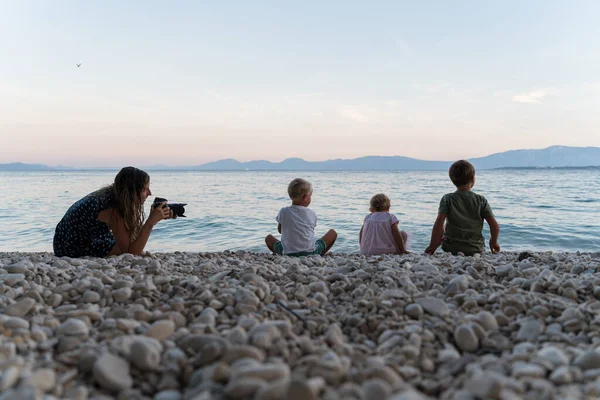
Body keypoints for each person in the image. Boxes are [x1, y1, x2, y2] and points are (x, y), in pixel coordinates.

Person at [53, 166, 173, 257]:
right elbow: (131, 253)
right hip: (69, 247)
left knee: (129, 245)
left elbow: (131, 237)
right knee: (129, 251)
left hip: (70, 239)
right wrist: (151, 222)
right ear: (131, 191)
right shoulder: (111, 208)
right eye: (144, 189)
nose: (150, 193)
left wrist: (155, 217)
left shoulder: (113, 196)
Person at [425, 160, 500, 256]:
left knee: (442, 227)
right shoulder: (481, 200)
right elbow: (495, 226)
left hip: (452, 248)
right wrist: (494, 242)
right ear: (473, 179)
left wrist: (432, 246)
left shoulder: (447, 199)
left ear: (452, 180)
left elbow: (438, 225)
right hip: (476, 248)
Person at [265, 178, 337, 256]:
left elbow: (280, 230)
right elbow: (309, 231)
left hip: (288, 253)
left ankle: (280, 255)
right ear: (305, 198)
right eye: (310, 196)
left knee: (268, 238)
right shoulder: (312, 213)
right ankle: (319, 254)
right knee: (333, 233)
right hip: (310, 252)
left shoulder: (283, 211)